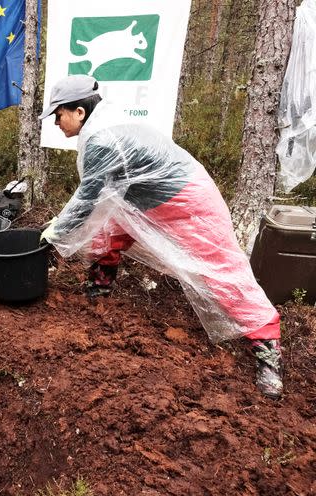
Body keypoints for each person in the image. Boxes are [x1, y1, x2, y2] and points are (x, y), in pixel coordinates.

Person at [39, 75, 284, 400]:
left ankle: (268, 350)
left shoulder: (100, 139)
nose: (56, 123)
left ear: (79, 112)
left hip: (187, 202)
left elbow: (86, 200)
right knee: (107, 231)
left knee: (221, 273)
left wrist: (53, 235)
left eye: (58, 115)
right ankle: (99, 285)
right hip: (142, 198)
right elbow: (102, 198)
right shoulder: (101, 122)